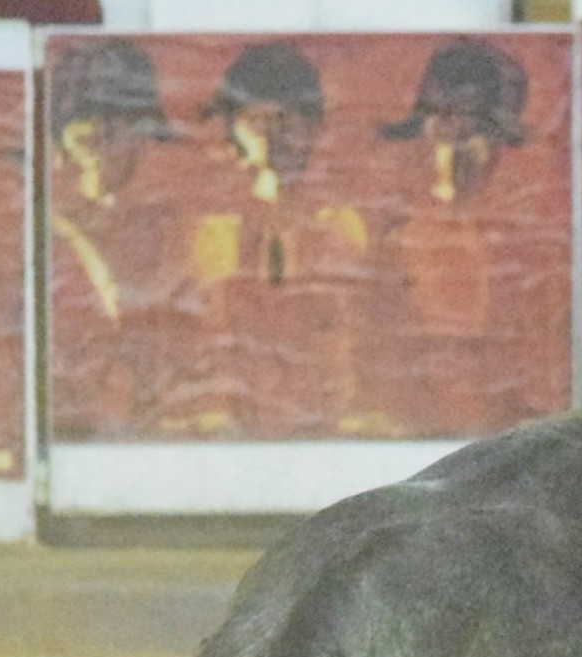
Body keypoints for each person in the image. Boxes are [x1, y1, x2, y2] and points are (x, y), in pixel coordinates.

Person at [175, 40, 372, 437]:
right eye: (256, 120)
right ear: (233, 128)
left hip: (324, 422)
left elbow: (354, 337)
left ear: (313, 127)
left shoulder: (342, 226)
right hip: (230, 422)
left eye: (286, 119)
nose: (271, 136)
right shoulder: (209, 231)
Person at [374, 38, 566, 437]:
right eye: (441, 117)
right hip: (417, 424)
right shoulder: (396, 232)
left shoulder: (529, 234)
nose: (454, 137)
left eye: (473, 123)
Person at [45, 37, 180, 437]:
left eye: (119, 121)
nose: (104, 135)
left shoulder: (172, 229)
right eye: (86, 124)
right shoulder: (41, 235)